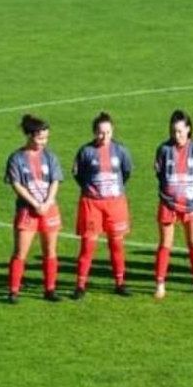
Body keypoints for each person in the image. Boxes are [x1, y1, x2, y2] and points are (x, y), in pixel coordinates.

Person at [72, 111, 134, 298]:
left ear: (112, 131)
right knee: (88, 246)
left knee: (116, 245)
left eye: (107, 132)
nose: (104, 136)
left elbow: (127, 172)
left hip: (115, 204)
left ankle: (120, 283)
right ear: (94, 132)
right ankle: (80, 285)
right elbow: (78, 174)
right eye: (100, 132)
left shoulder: (121, 151)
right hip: (92, 204)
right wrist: (91, 190)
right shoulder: (85, 151)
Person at [3, 114, 64, 303]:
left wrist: (47, 203)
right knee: (20, 252)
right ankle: (13, 291)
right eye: (40, 138)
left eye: (46, 138)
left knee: (50, 251)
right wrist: (35, 204)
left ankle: (50, 289)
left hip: (49, 209)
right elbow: (16, 184)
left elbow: (55, 180)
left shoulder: (50, 156)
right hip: (27, 211)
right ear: (29, 135)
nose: (43, 142)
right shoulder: (16, 158)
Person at [152, 110, 193, 300]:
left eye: (179, 131)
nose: (176, 135)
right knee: (165, 243)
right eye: (173, 131)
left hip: (191, 204)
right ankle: (160, 284)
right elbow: (160, 175)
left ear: (188, 129)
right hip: (168, 204)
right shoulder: (163, 150)